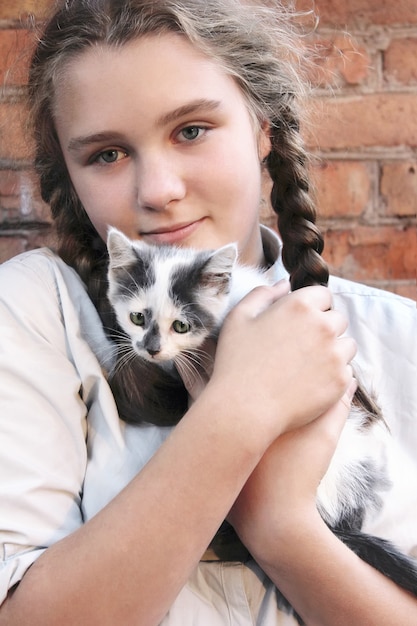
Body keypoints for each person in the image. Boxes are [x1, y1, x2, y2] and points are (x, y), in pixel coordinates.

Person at [0, 0, 416, 624]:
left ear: (261, 126)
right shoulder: (36, 316)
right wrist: (239, 412)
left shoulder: (394, 336)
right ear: (70, 172)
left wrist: (281, 528)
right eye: (107, 154)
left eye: (191, 130)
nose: (158, 191)